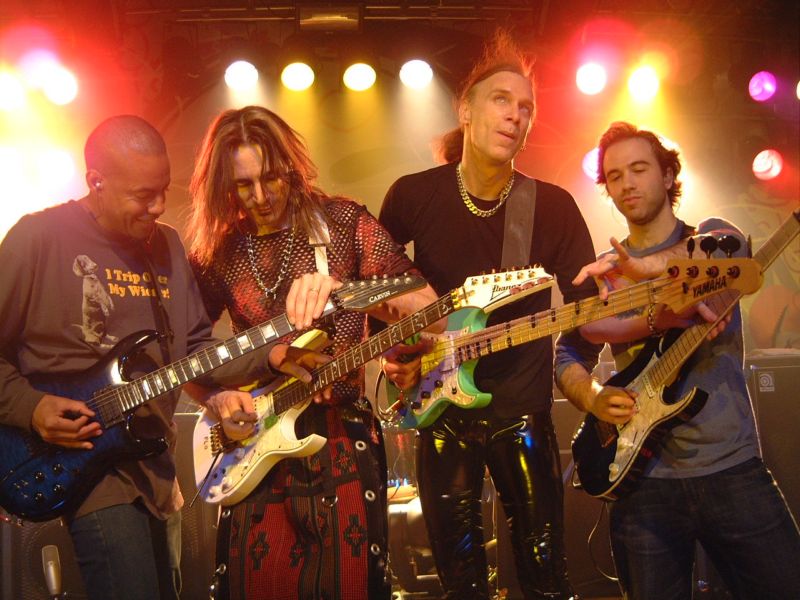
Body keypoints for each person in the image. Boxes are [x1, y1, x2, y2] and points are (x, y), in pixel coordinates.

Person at [0, 116, 279, 599]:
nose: (158, 206)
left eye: (162, 191)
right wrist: (31, 406)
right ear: (96, 181)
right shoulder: (38, 237)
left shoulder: (166, 244)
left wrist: (272, 354)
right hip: (85, 464)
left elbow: (195, 349)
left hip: (153, 464)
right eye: (142, 195)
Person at [378, 31, 601, 599]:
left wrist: (580, 368)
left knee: (546, 576)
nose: (515, 115)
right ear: (466, 109)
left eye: (526, 108)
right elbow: (377, 290)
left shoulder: (551, 206)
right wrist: (398, 355)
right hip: (441, 407)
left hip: (522, 410)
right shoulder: (413, 196)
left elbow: (588, 312)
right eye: (502, 100)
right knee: (461, 582)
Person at [186, 105, 438, 600]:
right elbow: (189, 357)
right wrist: (213, 400)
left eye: (271, 177)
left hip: (339, 435)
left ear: (291, 165)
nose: (261, 197)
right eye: (243, 185)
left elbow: (431, 310)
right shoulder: (220, 250)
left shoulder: (343, 222)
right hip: (256, 446)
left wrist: (348, 292)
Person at [562, 121, 800, 599]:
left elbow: (729, 252)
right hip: (641, 480)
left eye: (639, 169)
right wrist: (592, 396)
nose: (627, 183)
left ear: (668, 175)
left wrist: (644, 270)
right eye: (614, 176)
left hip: (732, 467)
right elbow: (568, 351)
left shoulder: (713, 238)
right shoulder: (605, 271)